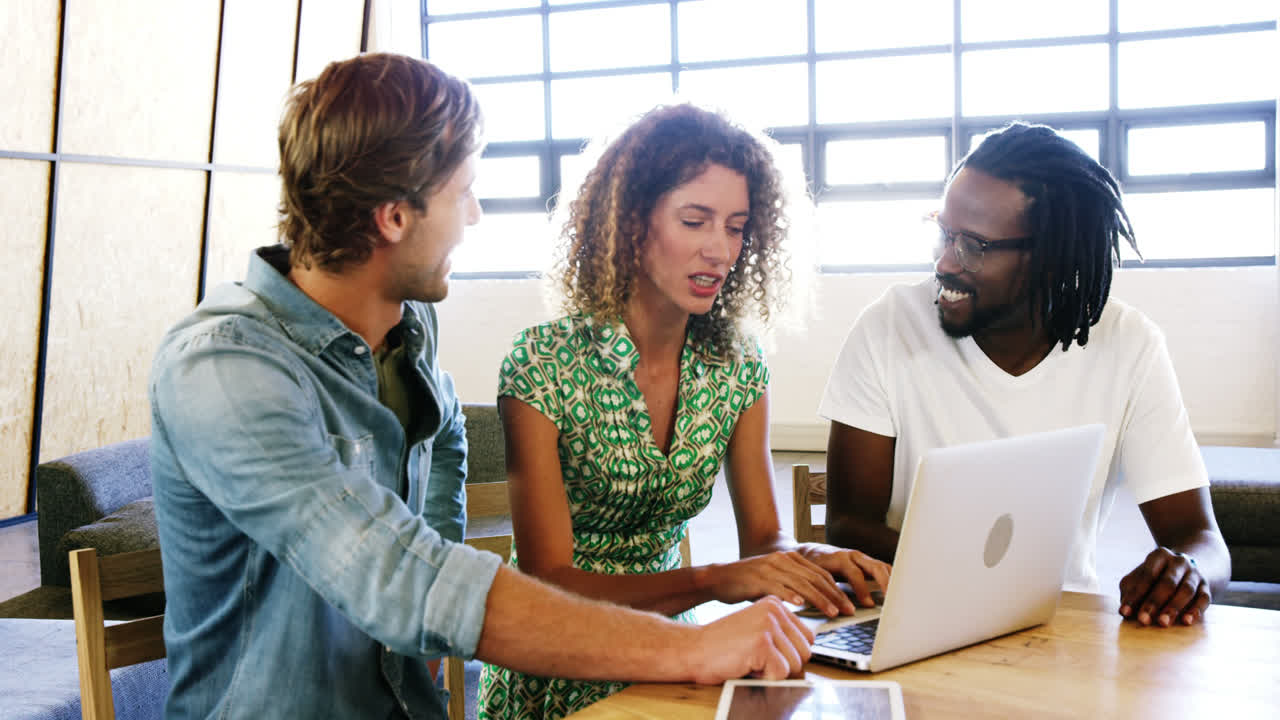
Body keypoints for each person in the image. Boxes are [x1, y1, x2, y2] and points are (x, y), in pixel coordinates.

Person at [149, 54, 816, 720]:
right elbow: (409, 580)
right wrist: (692, 649)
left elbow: (435, 540)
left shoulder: (411, 334)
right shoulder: (223, 368)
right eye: (462, 191)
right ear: (393, 218)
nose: (474, 215)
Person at [476, 104, 891, 720]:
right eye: (696, 221)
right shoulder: (543, 363)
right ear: (631, 222)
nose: (720, 251)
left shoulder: (736, 364)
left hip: (674, 661)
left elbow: (762, 538)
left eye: (736, 227)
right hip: (560, 669)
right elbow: (549, 583)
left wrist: (807, 561)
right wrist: (710, 581)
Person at [819, 122, 1230, 631]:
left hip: (1058, 627)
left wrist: (1187, 571)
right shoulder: (888, 328)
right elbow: (847, 525)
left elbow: (1200, 539)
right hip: (915, 617)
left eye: (972, 245)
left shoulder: (1130, 345)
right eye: (943, 232)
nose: (945, 261)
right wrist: (976, 574)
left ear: (1050, 260)